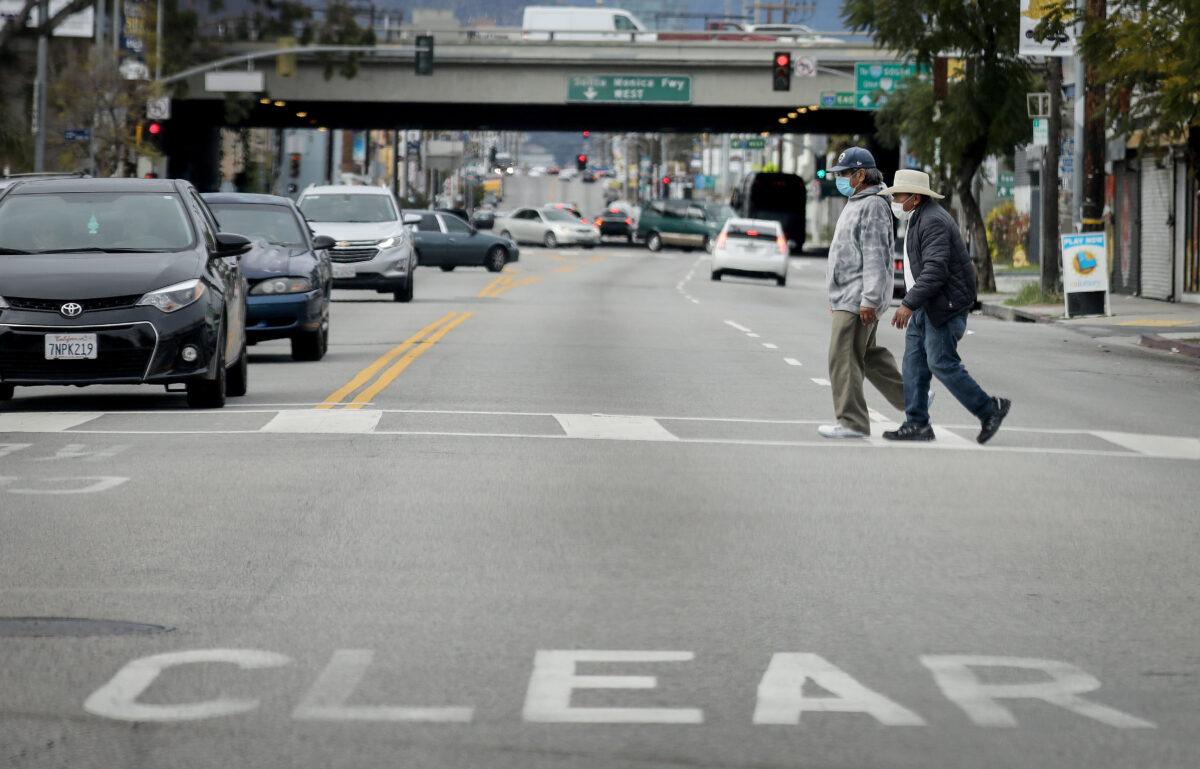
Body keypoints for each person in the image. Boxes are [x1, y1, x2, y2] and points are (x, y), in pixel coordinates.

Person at [879, 170, 1011, 444]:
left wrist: (907, 303)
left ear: (914, 198)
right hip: (927, 305)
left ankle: (989, 409)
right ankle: (917, 424)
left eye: (898, 195)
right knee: (914, 364)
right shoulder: (919, 217)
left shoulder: (933, 221)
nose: (894, 200)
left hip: (944, 307)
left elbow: (936, 271)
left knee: (941, 362)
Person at [818, 147, 906, 439]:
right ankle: (913, 398)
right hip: (848, 295)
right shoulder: (856, 202)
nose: (841, 179)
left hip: (857, 297)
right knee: (867, 355)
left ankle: (853, 423)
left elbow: (875, 255)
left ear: (859, 175)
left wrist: (868, 298)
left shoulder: (873, 206)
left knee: (842, 357)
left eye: (844, 174)